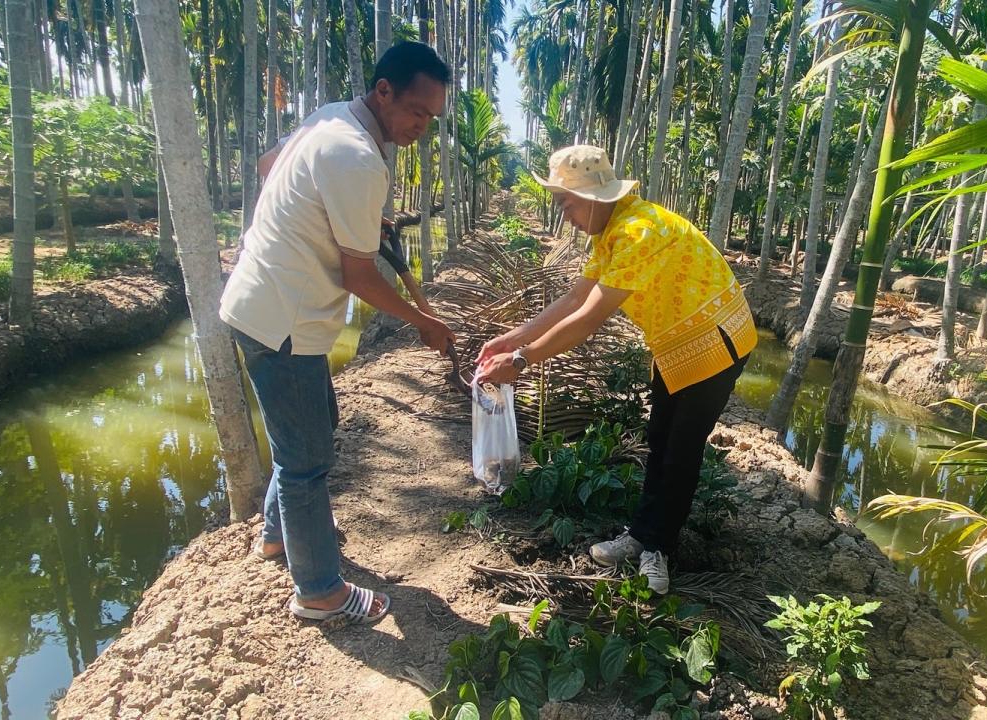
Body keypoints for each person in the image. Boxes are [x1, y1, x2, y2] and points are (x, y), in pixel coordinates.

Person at [220, 41, 456, 625]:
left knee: (312, 428)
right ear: (384, 92)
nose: (424, 127)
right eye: (418, 113)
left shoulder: (330, 117)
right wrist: (422, 320)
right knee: (306, 462)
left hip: (261, 304)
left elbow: (269, 167)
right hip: (285, 323)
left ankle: (277, 537)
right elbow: (358, 275)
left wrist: (341, 214)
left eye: (432, 118)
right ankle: (319, 592)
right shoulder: (357, 158)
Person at [477, 145, 757, 594]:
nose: (564, 213)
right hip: (677, 343)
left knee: (679, 449)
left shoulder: (637, 233)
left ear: (593, 198)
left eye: (566, 203)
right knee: (660, 438)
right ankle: (644, 535)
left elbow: (588, 319)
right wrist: (513, 338)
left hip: (716, 342)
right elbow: (573, 298)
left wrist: (522, 360)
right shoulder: (611, 232)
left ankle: (657, 549)